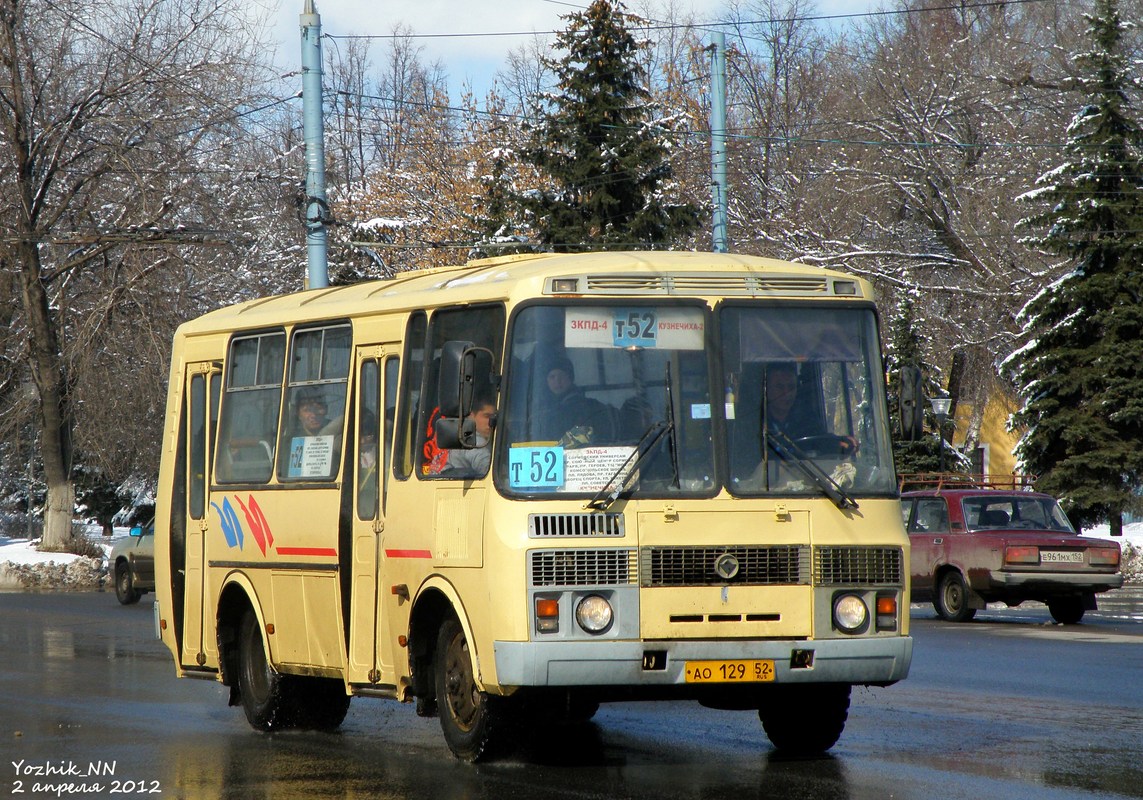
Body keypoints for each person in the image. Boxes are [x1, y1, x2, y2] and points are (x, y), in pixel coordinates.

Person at [539, 356, 614, 443]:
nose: (557, 381)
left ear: (570, 378)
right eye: (552, 377)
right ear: (546, 381)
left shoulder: (590, 407)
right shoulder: (541, 409)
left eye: (562, 375)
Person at [438, 397, 496, 477]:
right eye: (486, 416)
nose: (490, 422)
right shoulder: (474, 441)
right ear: (471, 416)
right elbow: (487, 469)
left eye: (493, 417)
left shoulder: (456, 435)